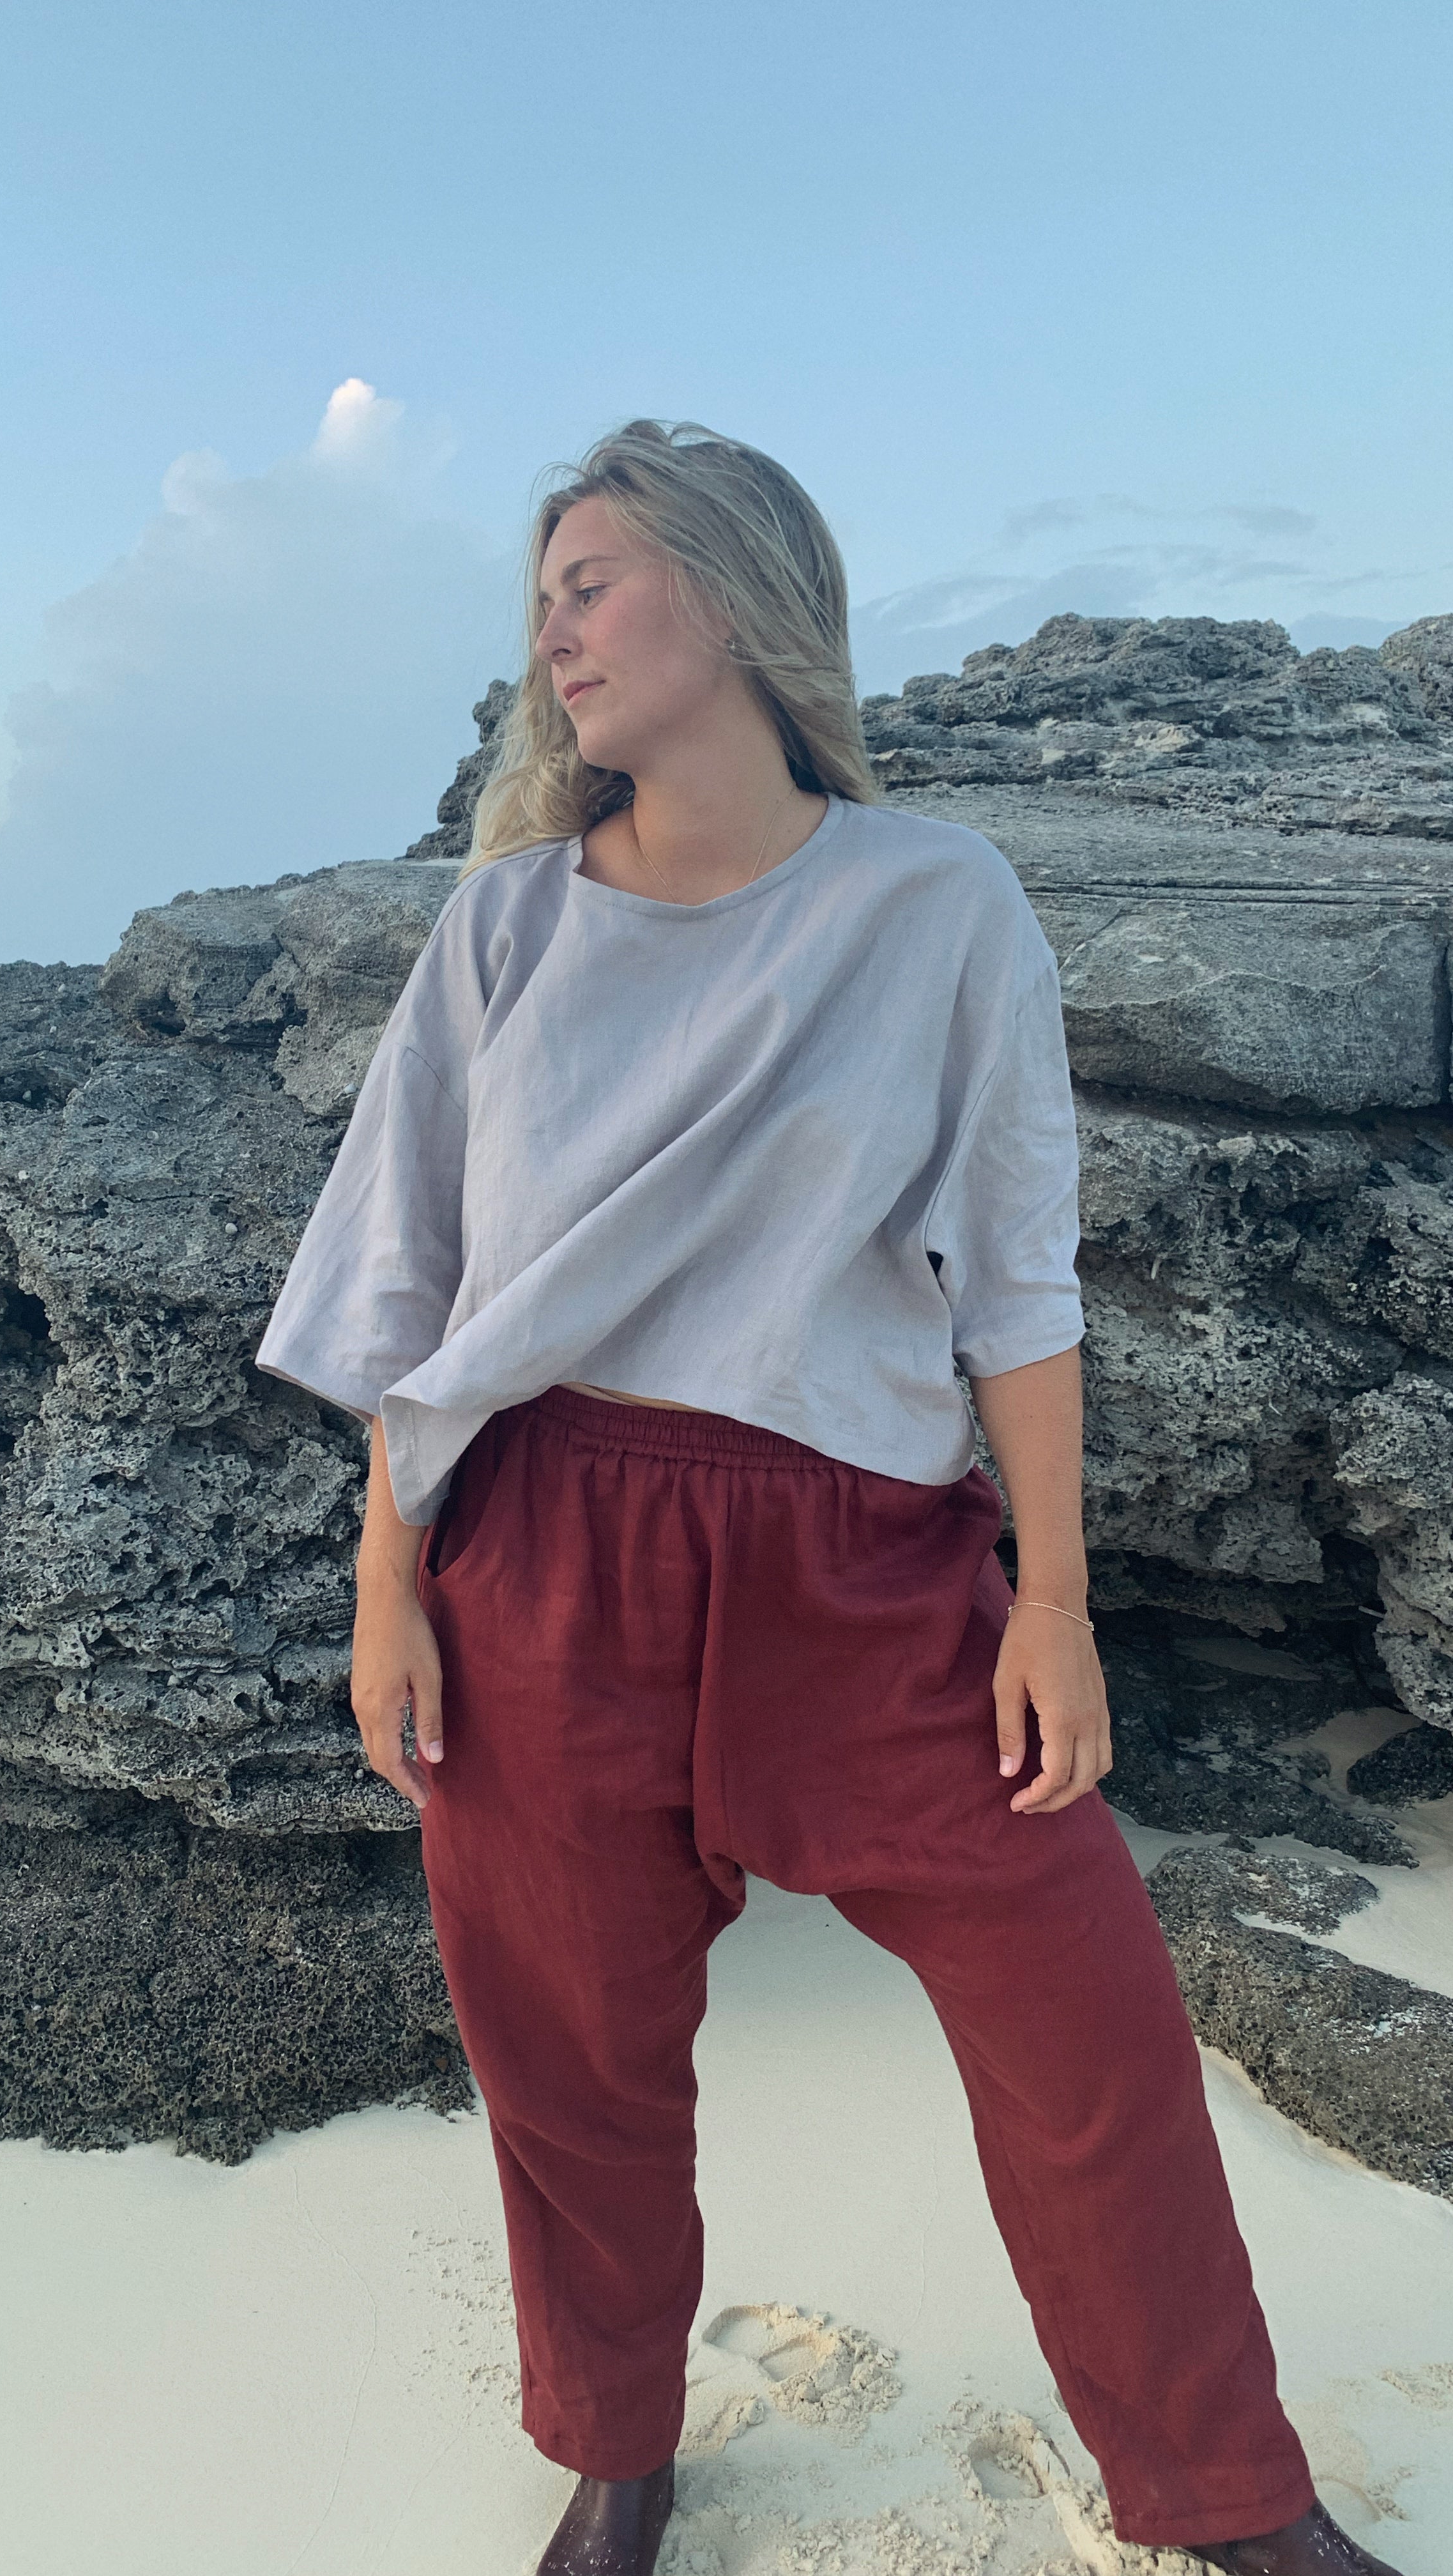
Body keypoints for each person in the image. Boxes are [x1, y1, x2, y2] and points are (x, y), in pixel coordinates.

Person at [254, 418, 1400, 2576]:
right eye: (544, 593)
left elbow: (1021, 1272)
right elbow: (413, 1282)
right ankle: (618, 2449)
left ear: (734, 589)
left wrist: (1051, 1603)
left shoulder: (934, 900)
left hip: (863, 1570)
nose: (552, 627)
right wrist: (383, 1579)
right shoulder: (500, 931)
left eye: (592, 578)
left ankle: (1234, 2501)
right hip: (543, 1550)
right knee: (572, 2062)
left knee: (1092, 2035)